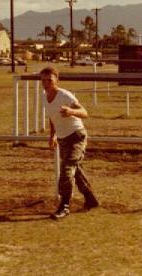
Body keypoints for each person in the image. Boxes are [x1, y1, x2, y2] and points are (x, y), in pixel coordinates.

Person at [40, 66, 99, 220]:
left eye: (49, 80)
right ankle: (90, 199)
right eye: (43, 80)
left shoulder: (65, 96)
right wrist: (52, 136)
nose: (46, 83)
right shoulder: (44, 96)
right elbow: (53, 117)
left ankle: (64, 206)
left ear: (56, 80)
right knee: (75, 170)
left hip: (76, 136)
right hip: (62, 138)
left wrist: (71, 112)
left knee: (67, 170)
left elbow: (85, 113)